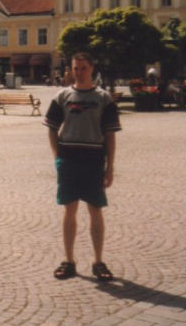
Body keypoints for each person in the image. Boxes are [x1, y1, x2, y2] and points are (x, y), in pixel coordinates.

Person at [43, 52, 121, 282]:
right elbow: (51, 127)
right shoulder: (62, 96)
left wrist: (110, 167)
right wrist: (57, 156)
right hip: (68, 159)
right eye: (75, 68)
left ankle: (98, 261)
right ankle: (69, 260)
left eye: (83, 68)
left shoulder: (103, 98)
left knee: (95, 210)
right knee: (69, 210)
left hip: (94, 160)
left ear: (92, 68)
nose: (79, 72)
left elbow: (110, 135)